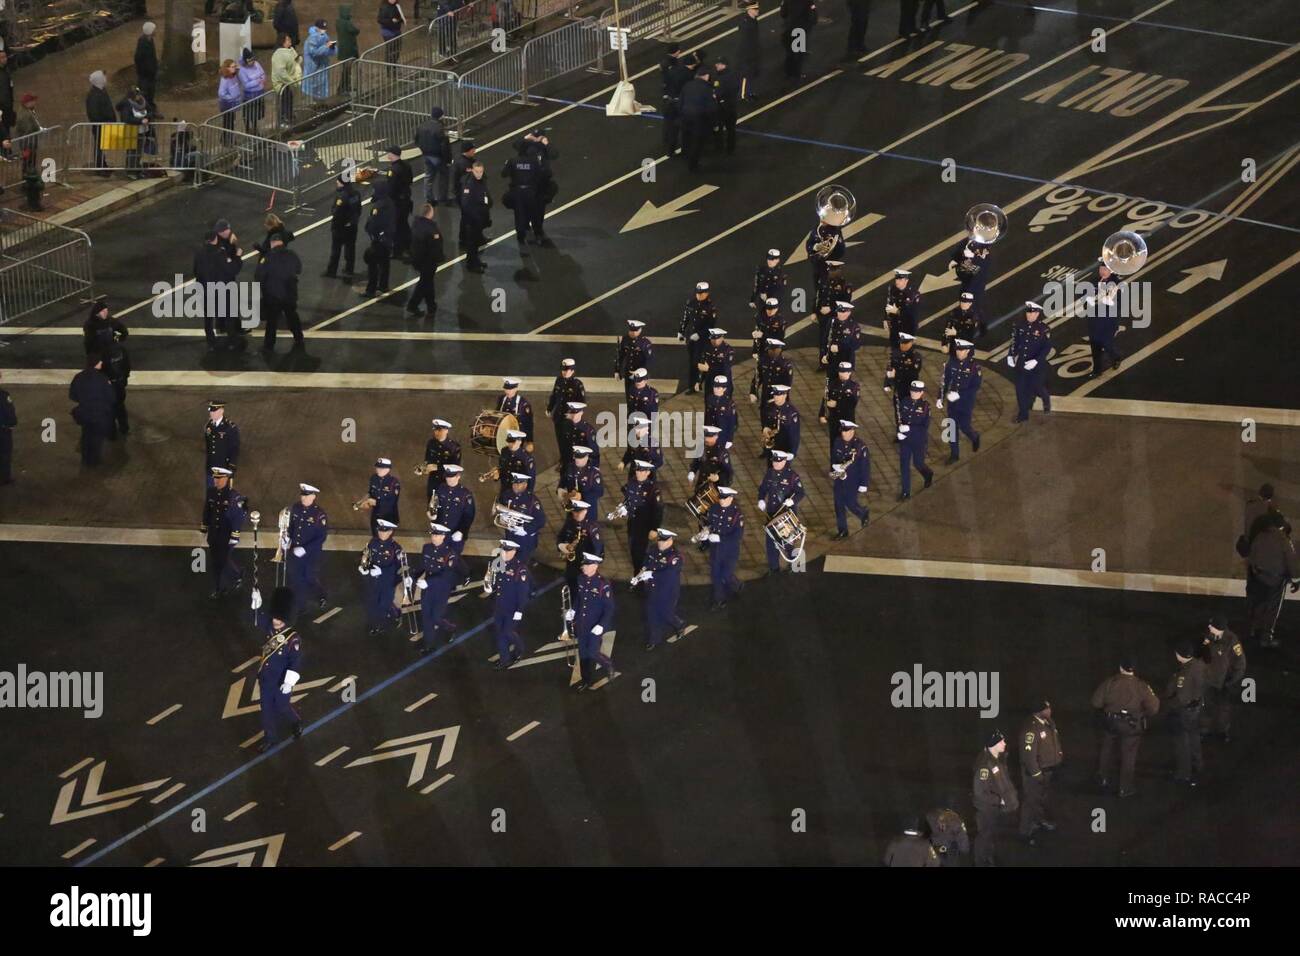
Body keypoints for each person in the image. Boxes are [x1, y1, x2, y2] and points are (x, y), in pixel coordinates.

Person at [1090, 656, 1159, 798]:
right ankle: (1125, 788)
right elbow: (1154, 708)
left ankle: (1103, 778)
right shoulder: (1142, 686)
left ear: (1121, 668)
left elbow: (1096, 702)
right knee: (1129, 755)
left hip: (1111, 723)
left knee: (1107, 749)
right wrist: (1141, 712)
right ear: (1134, 670)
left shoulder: (1110, 682)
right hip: (1132, 725)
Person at [254, 586, 303, 753]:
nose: (275, 622)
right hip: (266, 678)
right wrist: (256, 603)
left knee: (282, 706)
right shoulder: (269, 626)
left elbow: (295, 662)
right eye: (275, 618)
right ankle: (270, 738)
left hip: (281, 680)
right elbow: (257, 620)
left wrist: (289, 683)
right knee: (266, 709)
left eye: (279, 620)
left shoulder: (292, 638)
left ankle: (295, 721)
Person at [1245, 511, 1297, 648]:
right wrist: (1296, 580)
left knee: (1259, 605)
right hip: (1276, 580)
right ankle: (1266, 637)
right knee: (1272, 609)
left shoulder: (1259, 536)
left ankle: (1253, 630)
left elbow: (1252, 557)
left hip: (1259, 578)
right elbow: (1291, 561)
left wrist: (1256, 572)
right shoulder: (1284, 539)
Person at [194, 221, 245, 351]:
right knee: (228, 314)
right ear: (215, 238)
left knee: (208, 317)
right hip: (221, 289)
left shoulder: (199, 253)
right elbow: (231, 270)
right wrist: (238, 257)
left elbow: (196, 271)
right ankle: (232, 341)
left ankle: (211, 341)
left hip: (206, 289)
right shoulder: (219, 253)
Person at [569, 553, 617, 690]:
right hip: (581, 623)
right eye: (584, 564)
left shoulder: (603, 584)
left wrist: (601, 625)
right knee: (583, 653)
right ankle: (586, 680)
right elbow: (579, 599)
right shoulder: (580, 579)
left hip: (595, 625)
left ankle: (607, 664)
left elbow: (609, 608)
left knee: (592, 652)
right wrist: (573, 611)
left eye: (586, 565)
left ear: (595, 566)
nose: (583, 567)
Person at [1018, 700, 1063, 846]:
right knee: (1030, 801)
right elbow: (1028, 757)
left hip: (1048, 769)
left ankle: (1039, 820)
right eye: (1047, 708)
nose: (1050, 709)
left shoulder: (1049, 722)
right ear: (1039, 711)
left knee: (1042, 798)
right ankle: (1024, 832)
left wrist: (1059, 755)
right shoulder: (1031, 729)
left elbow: (1054, 740)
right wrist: (1037, 774)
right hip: (1035, 773)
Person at [416, 524, 466, 653]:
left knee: (436, 617)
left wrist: (428, 582)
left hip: (441, 589)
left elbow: (446, 575)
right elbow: (422, 566)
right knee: (427, 616)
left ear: (443, 536)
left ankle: (451, 628)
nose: (434, 537)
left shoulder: (450, 554)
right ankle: (429, 644)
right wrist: (412, 576)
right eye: (433, 534)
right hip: (426, 588)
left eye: (437, 535)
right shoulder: (426, 548)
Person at [971, 730, 1018, 867]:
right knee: (984, 836)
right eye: (1001, 741)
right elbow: (980, 792)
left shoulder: (997, 759)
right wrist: (999, 800)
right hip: (986, 809)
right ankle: (980, 862)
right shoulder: (984, 766)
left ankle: (988, 858)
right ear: (993, 744)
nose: (1005, 743)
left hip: (994, 808)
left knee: (990, 835)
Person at [1164, 642, 1207, 787]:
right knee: (1194, 737)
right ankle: (1197, 765)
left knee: (1182, 743)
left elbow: (1181, 697)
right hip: (1196, 707)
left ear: (1180, 656)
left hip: (1184, 712)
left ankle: (1184, 774)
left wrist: (1168, 705)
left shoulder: (1184, 674)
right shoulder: (1199, 664)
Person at [634, 529, 685, 649]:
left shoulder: (675, 556)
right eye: (659, 541)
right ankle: (654, 639)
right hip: (652, 588)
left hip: (667, 591)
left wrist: (651, 574)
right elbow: (646, 563)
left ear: (670, 540)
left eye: (663, 541)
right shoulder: (653, 549)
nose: (660, 543)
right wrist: (640, 575)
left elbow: (669, 574)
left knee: (666, 614)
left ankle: (679, 624)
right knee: (651, 614)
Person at [254, 231, 304, 351]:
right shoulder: (292, 254)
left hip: (273, 296)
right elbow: (299, 269)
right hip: (290, 294)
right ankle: (299, 337)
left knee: (272, 322)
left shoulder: (267, 258)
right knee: (292, 316)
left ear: (272, 243)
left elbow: (258, 276)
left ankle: (269, 345)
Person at [201, 467, 246, 597]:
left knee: (222, 560)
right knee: (218, 560)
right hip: (214, 534)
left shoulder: (234, 497)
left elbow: (239, 517)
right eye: (215, 478)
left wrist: (235, 535)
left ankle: (220, 588)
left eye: (219, 478)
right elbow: (207, 510)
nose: (216, 480)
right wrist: (204, 526)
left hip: (226, 535)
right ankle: (237, 574)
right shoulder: (211, 493)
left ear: (226, 479)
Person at [1201, 614, 1246, 743]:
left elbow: (1240, 663)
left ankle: (1222, 731)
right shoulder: (1208, 636)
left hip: (1223, 683)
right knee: (1206, 706)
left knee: (1223, 708)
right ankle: (1204, 729)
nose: (1209, 627)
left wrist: (1231, 681)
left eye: (1212, 625)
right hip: (1208, 680)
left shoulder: (1232, 641)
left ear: (1219, 629)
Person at [488, 539, 531, 667]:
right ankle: (504, 659)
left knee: (506, 632)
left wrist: (519, 610)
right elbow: (494, 580)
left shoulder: (520, 569)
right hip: (499, 605)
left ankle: (518, 649)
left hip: (512, 608)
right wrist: (489, 586)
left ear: (514, 551)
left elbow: (523, 592)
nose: (503, 553)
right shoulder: (498, 563)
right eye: (503, 550)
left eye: (507, 551)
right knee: (499, 632)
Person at [286, 483, 330, 611]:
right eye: (302, 495)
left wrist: (305, 549)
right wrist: (287, 538)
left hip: (310, 553)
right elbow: (292, 526)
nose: (303, 498)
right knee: (296, 576)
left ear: (313, 496)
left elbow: (321, 537)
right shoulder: (296, 508)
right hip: (294, 549)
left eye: (307, 496)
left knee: (309, 577)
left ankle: (321, 594)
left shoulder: (319, 514)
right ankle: (300, 605)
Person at [360, 519, 407, 636]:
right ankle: (394, 613)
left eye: (384, 531)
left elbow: (400, 568)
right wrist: (364, 567)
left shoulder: (396, 548)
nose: (381, 533)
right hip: (373, 580)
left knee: (383, 604)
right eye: (380, 530)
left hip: (388, 581)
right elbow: (366, 556)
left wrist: (382, 571)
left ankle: (379, 626)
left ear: (391, 531)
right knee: (373, 602)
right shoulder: (373, 543)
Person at [938, 339, 982, 462]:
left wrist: (960, 395)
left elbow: (975, 386)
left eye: (961, 350)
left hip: (965, 403)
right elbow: (945, 381)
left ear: (967, 351)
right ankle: (954, 455)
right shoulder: (951, 362)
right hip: (952, 402)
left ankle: (974, 437)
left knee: (965, 427)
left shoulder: (974, 366)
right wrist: (940, 397)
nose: (958, 352)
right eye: (957, 350)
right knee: (952, 427)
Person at [501, 138, 550, 249]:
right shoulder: (533, 162)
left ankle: (521, 238)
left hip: (517, 192)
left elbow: (503, 174)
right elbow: (540, 175)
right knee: (534, 213)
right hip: (531, 192)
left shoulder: (513, 161)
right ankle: (538, 235)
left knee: (519, 214)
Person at [68, 355, 115, 466]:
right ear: (96, 364)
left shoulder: (78, 377)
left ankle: (86, 458)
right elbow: (112, 398)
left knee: (86, 435)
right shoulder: (103, 378)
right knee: (97, 439)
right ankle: (94, 461)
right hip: (99, 413)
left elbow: (72, 396)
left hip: (84, 413)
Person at [1008, 301, 1052, 422]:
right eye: (1028, 312)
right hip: (1022, 363)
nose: (1029, 315)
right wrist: (1010, 355)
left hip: (1036, 366)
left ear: (1038, 314)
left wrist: (1036, 361)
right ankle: (1023, 414)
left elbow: (1046, 348)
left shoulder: (1044, 329)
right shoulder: (1019, 325)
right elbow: (1014, 342)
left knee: (1037, 387)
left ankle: (1045, 399)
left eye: (1032, 313)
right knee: (1020, 389)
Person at [702, 486, 744, 610]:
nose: (721, 501)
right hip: (716, 549)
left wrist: (720, 538)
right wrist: (705, 533)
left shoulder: (737, 514)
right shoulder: (714, 508)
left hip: (730, 550)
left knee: (726, 575)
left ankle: (736, 585)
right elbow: (708, 523)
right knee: (715, 575)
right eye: (720, 498)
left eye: (724, 499)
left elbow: (737, 535)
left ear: (731, 498)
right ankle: (719, 600)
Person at [830, 420, 869, 537]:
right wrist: (834, 467)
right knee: (838, 505)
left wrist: (864, 484)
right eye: (843, 431)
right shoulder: (837, 442)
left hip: (853, 480)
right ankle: (842, 530)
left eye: (846, 431)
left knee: (851, 503)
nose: (844, 434)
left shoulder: (860, 447)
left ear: (852, 431)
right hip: (839, 479)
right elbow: (834, 457)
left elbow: (865, 467)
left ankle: (863, 513)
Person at [406, 203, 444, 317]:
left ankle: (431, 305)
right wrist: (440, 258)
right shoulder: (431, 229)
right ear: (430, 213)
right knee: (424, 283)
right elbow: (435, 247)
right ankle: (413, 305)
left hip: (417, 258)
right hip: (428, 261)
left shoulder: (416, 224)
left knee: (428, 281)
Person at [679, 281, 718, 392]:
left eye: (701, 293)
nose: (699, 295)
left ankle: (701, 382)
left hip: (703, 340)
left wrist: (700, 334)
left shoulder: (711, 307)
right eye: (697, 293)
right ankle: (692, 386)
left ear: (707, 293)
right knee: (692, 362)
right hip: (691, 338)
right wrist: (681, 331)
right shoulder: (691, 303)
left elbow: (711, 326)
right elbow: (685, 318)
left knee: (702, 362)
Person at [678, 67, 716, 172]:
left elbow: (680, 102)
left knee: (687, 138)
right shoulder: (707, 89)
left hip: (686, 116)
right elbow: (711, 107)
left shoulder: (687, 85)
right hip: (699, 118)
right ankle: (693, 164)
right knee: (697, 142)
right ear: (706, 76)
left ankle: (685, 157)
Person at [324, 174, 362, 279]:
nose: (337, 183)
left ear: (342, 183)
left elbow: (336, 212)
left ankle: (332, 271)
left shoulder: (341, 197)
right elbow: (358, 209)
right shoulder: (356, 194)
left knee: (336, 250)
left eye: (338, 181)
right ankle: (349, 269)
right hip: (352, 226)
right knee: (350, 248)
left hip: (340, 227)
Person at [363, 177, 396, 294]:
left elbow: (373, 223)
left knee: (373, 265)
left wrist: (372, 233)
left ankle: (370, 290)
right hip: (388, 238)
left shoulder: (378, 207)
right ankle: (383, 285)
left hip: (379, 240)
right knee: (385, 263)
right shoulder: (390, 202)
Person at [546, 358, 586, 454]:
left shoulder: (577, 384)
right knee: (560, 441)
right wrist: (549, 408)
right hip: (558, 416)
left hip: (569, 418)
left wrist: (576, 415)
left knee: (568, 442)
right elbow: (554, 396)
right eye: (563, 369)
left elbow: (582, 403)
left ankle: (569, 463)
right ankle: (563, 460)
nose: (564, 372)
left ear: (572, 370)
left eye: (566, 370)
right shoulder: (559, 380)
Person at [459, 160, 491, 273]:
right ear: (472, 170)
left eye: (481, 171)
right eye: (477, 171)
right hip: (472, 220)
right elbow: (466, 205)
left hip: (479, 218)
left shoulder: (481, 181)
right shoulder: (469, 185)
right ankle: (471, 264)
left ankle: (475, 260)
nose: (479, 174)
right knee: (472, 243)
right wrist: (476, 218)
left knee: (476, 242)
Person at [416, 106, 453, 205]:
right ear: (441, 116)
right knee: (444, 176)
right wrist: (448, 160)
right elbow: (445, 146)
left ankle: (429, 198)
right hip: (438, 156)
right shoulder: (440, 128)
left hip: (426, 155)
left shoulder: (422, 125)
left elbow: (416, 139)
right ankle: (442, 197)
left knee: (428, 177)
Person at [85, 71, 117, 175]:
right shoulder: (94, 95)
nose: (105, 79)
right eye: (104, 78)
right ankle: (100, 167)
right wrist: (104, 122)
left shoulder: (102, 91)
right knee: (99, 146)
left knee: (101, 146)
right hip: (100, 126)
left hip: (105, 125)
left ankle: (103, 165)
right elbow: (94, 114)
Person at [115, 86, 151, 177]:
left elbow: (150, 111)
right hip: (131, 131)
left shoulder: (142, 102)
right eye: (137, 94)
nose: (139, 96)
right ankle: (131, 171)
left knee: (138, 152)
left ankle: (137, 168)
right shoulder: (127, 104)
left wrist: (148, 117)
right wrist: (140, 121)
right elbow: (127, 118)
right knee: (132, 152)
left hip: (141, 131)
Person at [614, 319, 653, 402]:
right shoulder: (625, 339)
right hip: (628, 373)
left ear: (640, 330)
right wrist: (617, 370)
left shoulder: (645, 343)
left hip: (640, 375)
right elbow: (620, 355)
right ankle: (630, 413)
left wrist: (642, 374)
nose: (633, 333)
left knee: (639, 397)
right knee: (629, 397)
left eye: (636, 331)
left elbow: (648, 360)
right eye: (631, 330)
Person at [420, 418, 461, 496]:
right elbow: (427, 459)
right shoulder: (431, 443)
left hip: (447, 481)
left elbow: (456, 467)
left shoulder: (454, 447)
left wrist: (437, 467)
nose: (436, 432)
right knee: (431, 505)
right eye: (435, 430)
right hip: (433, 480)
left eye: (439, 430)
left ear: (446, 430)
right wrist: (424, 468)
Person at [103, 331, 131, 440]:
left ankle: (111, 433)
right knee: (120, 407)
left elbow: (99, 370)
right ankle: (124, 428)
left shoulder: (102, 353)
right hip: (120, 383)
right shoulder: (121, 349)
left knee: (109, 410)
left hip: (109, 385)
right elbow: (127, 365)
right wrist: (125, 378)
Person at [271, 34, 303, 127]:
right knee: (283, 101)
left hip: (288, 82)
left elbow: (296, 61)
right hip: (281, 83)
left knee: (289, 98)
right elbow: (281, 72)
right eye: (288, 40)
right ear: (283, 42)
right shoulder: (279, 55)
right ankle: (283, 119)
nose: (290, 41)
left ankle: (289, 115)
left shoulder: (290, 51)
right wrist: (291, 81)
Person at [925, 802, 970, 866]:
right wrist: (964, 849)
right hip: (944, 846)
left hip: (939, 846)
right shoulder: (954, 818)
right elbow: (961, 835)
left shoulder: (931, 815)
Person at [712, 58, 741, 155]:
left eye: (718, 63)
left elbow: (719, 92)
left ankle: (719, 148)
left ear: (724, 65)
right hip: (731, 107)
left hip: (722, 108)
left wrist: (715, 95)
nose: (716, 65)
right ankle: (730, 148)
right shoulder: (732, 75)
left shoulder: (722, 78)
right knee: (731, 129)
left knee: (719, 129)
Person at [781, 0, 816, 80]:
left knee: (790, 53)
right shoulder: (807, 1)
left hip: (789, 29)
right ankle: (797, 74)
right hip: (800, 30)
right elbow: (812, 16)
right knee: (800, 54)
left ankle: (788, 72)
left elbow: (783, 13)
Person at [303, 19, 338, 100]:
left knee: (321, 91)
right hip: (313, 69)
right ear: (316, 28)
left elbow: (329, 51)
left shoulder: (325, 36)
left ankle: (320, 105)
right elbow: (314, 52)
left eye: (325, 28)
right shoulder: (311, 39)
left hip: (322, 68)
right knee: (312, 91)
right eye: (322, 28)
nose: (324, 30)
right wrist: (326, 47)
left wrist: (332, 48)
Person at [734, 1, 762, 99]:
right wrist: (748, 55)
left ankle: (749, 92)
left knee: (752, 74)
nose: (758, 11)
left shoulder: (752, 20)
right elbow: (744, 41)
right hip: (747, 54)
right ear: (749, 10)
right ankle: (744, 94)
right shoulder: (746, 23)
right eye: (755, 9)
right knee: (747, 74)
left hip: (753, 52)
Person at [238, 49, 269, 133]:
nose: (252, 62)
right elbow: (246, 85)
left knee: (256, 114)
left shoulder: (256, 64)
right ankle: (247, 129)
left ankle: (255, 128)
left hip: (259, 93)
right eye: (249, 61)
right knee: (249, 114)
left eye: (252, 60)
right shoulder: (242, 70)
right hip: (249, 95)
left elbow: (263, 74)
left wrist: (262, 78)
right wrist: (257, 81)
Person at [133, 23, 159, 115]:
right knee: (145, 93)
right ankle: (147, 111)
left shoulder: (150, 40)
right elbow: (138, 58)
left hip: (150, 73)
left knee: (151, 93)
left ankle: (151, 108)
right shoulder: (143, 42)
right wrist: (145, 70)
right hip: (145, 75)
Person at [217, 60, 242, 143]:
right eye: (232, 67)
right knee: (228, 123)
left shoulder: (233, 76)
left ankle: (226, 138)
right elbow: (221, 93)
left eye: (235, 66)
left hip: (232, 104)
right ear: (227, 68)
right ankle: (227, 140)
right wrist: (231, 97)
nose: (235, 68)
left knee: (230, 122)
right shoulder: (225, 80)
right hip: (226, 105)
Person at [0, 373, 15, 485]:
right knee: (5, 453)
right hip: (3, 429)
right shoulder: (4, 395)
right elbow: (9, 411)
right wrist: (12, 423)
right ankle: (5, 477)